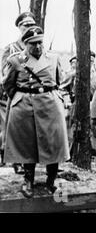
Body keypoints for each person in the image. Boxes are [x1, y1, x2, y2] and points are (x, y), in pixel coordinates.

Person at [2, 26, 69, 198]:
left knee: (54, 144)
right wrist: (21, 99)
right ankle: (28, 181)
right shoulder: (16, 60)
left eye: (40, 42)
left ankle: (51, 181)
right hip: (26, 106)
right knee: (27, 145)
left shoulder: (54, 58)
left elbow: (58, 81)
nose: (38, 47)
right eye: (33, 44)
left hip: (49, 104)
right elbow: (9, 84)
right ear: (25, 44)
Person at [0, 11, 36, 174]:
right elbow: (5, 74)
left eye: (31, 24)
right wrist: (14, 93)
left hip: (35, 95)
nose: (28, 27)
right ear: (19, 27)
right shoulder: (11, 48)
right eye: (25, 25)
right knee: (14, 129)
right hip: (15, 94)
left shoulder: (37, 46)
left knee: (32, 130)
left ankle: (28, 160)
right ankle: (15, 161)